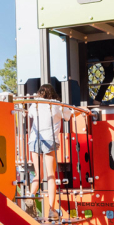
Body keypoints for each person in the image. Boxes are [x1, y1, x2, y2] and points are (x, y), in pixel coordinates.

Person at [27, 83, 65, 218]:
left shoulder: (34, 104)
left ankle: (30, 199)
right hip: (49, 139)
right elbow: (68, 115)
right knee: (50, 175)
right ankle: (51, 209)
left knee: (38, 174)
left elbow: (31, 115)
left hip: (34, 139)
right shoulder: (56, 104)